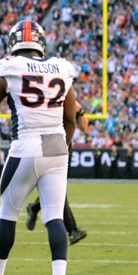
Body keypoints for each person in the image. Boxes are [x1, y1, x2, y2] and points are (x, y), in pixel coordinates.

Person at [0, 19, 78, 275]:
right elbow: (71, 117)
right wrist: (63, 145)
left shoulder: (9, 65)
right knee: (55, 216)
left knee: (8, 213)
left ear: (13, 43)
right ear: (40, 43)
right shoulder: (61, 66)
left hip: (26, 145)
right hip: (57, 144)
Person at [25, 103, 91, 245]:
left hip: (65, 145)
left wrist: (79, 111)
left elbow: (84, 127)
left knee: (57, 189)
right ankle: (72, 230)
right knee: (58, 189)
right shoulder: (44, 95)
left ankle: (35, 207)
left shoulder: (67, 94)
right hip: (46, 144)